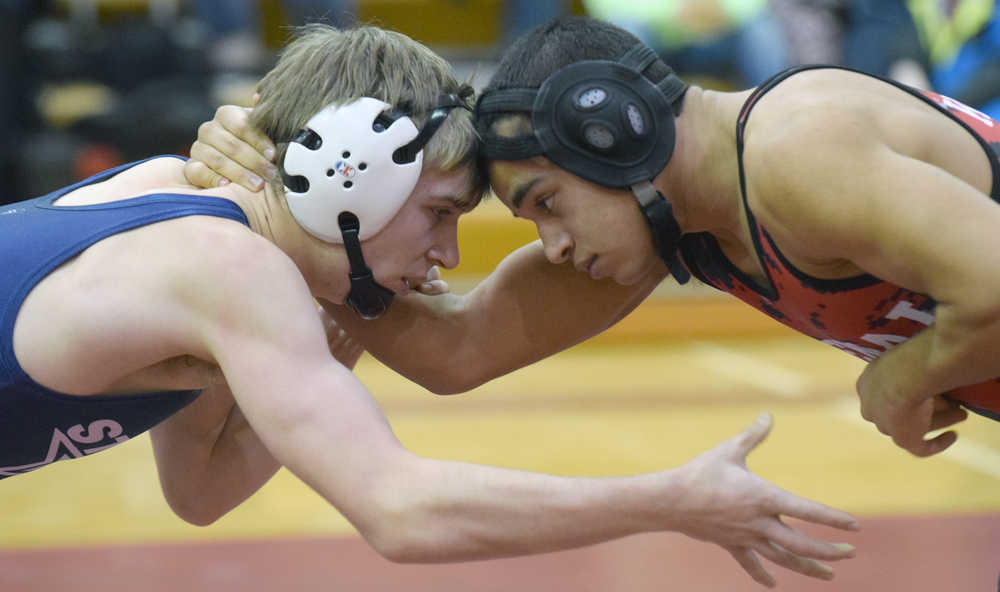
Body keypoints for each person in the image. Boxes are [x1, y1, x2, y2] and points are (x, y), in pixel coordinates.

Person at [0, 21, 858, 589]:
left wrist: (351, 311)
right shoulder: (227, 270)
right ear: (350, 175)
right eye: (441, 214)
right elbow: (403, 511)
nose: (447, 256)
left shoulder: (187, 212)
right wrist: (672, 502)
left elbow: (201, 491)